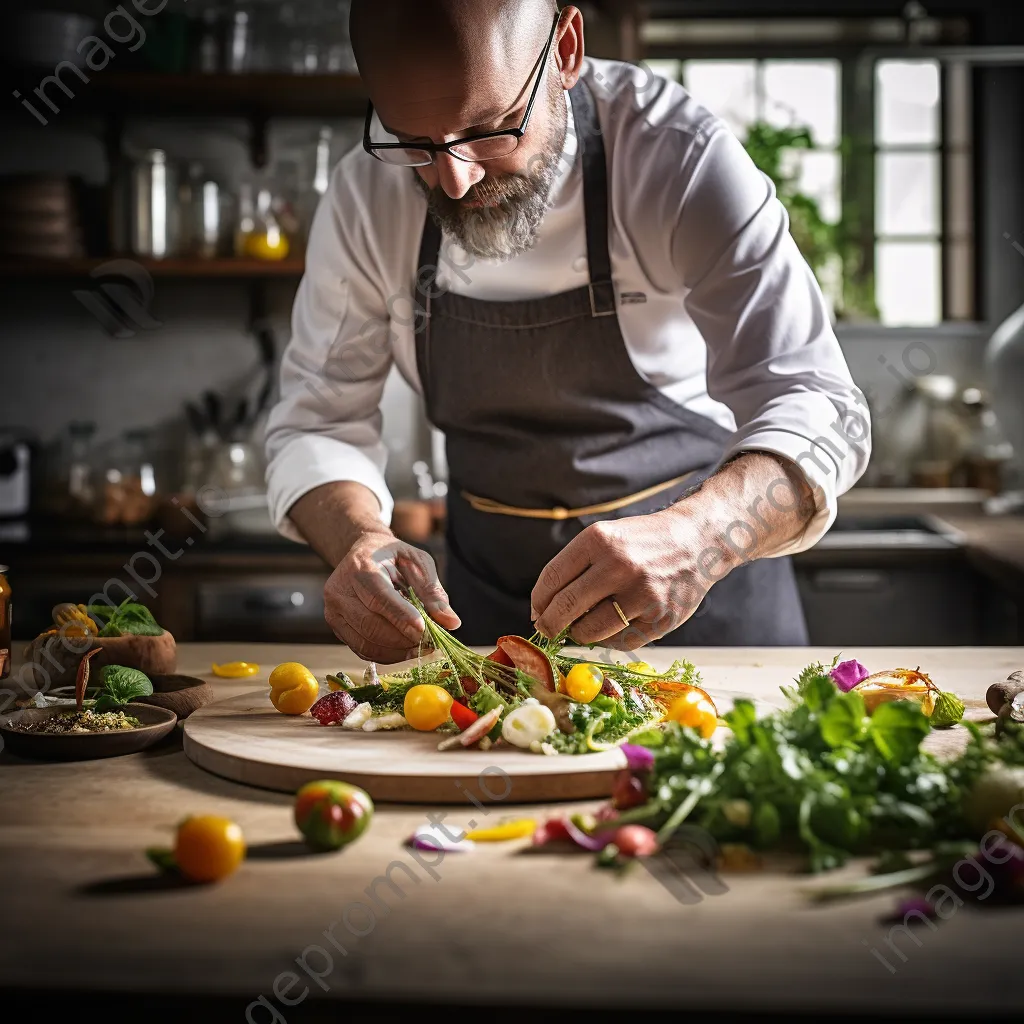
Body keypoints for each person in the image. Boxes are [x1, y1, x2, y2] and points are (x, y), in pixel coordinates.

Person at [265, 0, 871, 662]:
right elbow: (317, 423)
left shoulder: (676, 155)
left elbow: (819, 405)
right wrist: (359, 539)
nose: (456, 180)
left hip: (708, 617)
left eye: (491, 129)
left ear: (567, 50)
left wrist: (701, 536)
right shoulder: (365, 195)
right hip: (488, 619)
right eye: (413, 141)